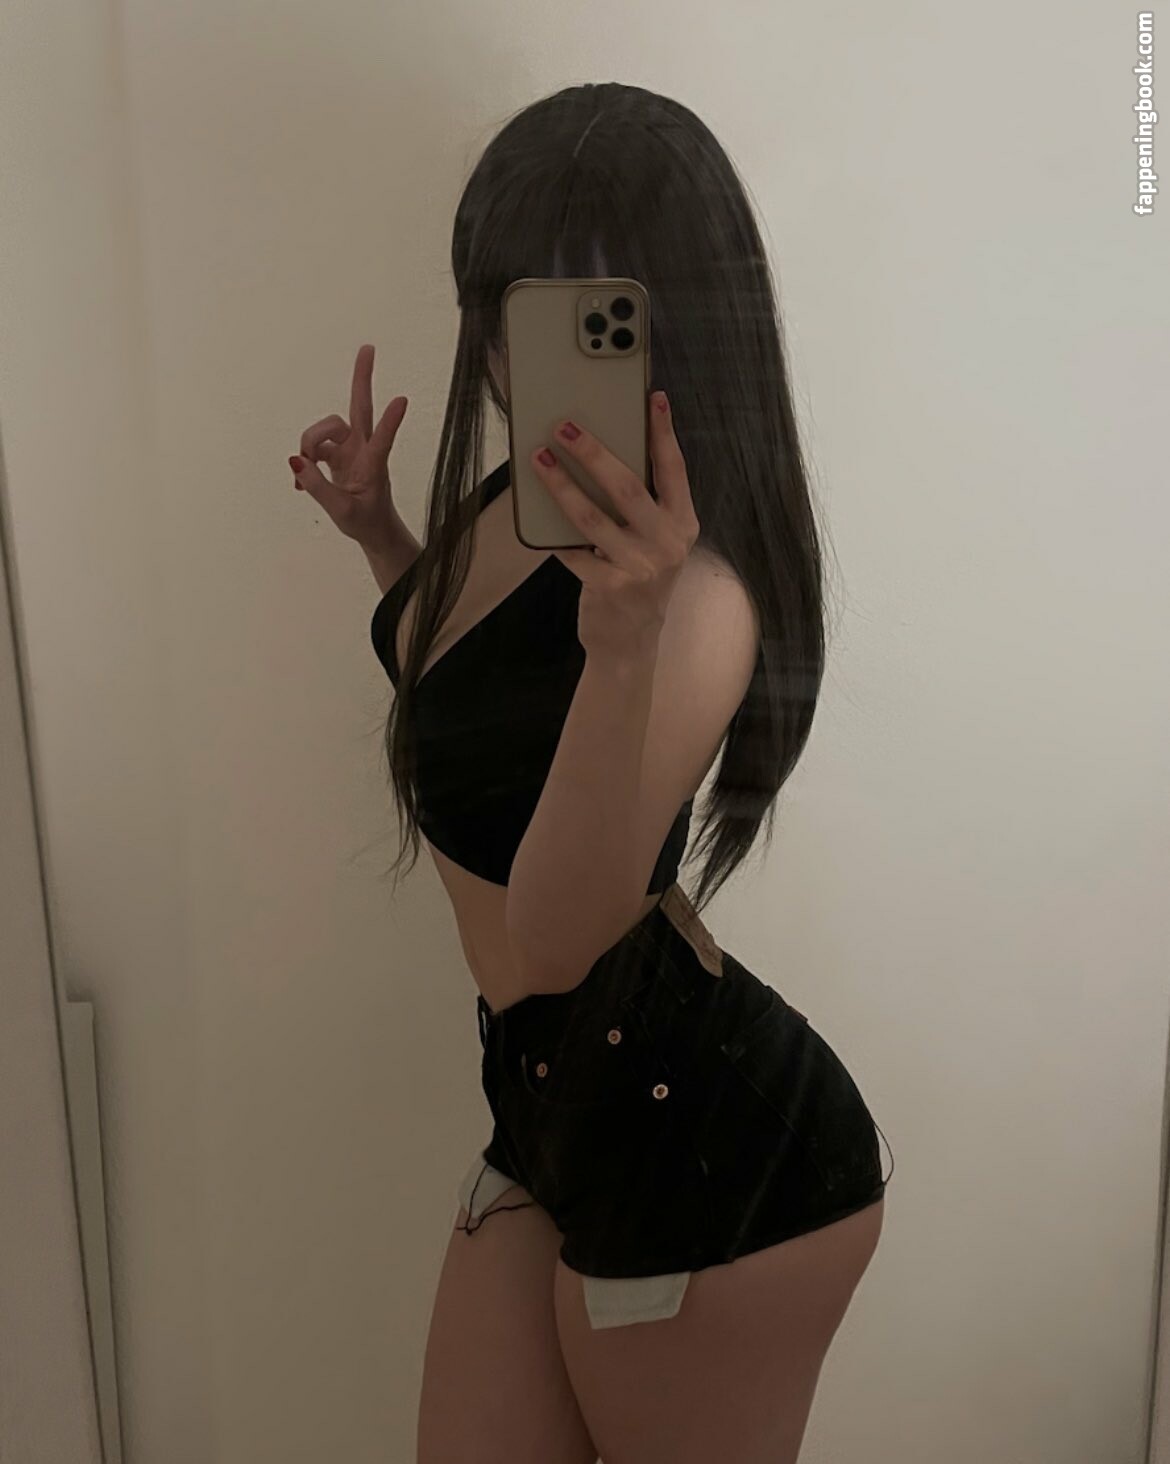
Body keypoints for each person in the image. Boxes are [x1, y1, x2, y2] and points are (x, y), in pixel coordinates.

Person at [289, 81, 893, 1464]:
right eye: (507, 305)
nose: (522, 358)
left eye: (586, 313)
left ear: (677, 324)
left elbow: (558, 936)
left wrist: (623, 649)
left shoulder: (696, 604)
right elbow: (475, 708)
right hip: (551, 1106)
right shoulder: (516, 502)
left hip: (716, 1160)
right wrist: (383, 538)